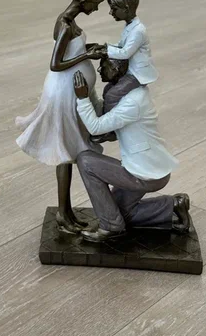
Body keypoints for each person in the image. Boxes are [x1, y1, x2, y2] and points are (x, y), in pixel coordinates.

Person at [16, 0, 107, 233]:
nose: (96, 9)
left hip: (70, 90)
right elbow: (56, 64)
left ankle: (65, 211)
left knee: (67, 151)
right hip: (62, 92)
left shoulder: (71, 22)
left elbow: (69, 52)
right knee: (65, 151)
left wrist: (88, 49)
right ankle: (63, 213)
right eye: (95, 4)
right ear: (84, 1)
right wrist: (86, 57)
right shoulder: (65, 24)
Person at [72, 57, 189, 243]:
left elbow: (95, 127)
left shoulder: (131, 103)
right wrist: (90, 93)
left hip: (146, 173)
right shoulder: (130, 93)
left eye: (104, 66)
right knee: (117, 211)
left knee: (85, 161)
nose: (100, 70)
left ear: (116, 69)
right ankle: (174, 204)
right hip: (149, 166)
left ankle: (110, 226)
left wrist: (82, 98)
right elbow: (107, 116)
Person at [104, 0, 158, 97]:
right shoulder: (130, 25)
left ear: (126, 9)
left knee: (111, 95)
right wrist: (105, 47)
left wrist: (105, 51)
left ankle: (116, 109)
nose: (110, 12)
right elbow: (122, 45)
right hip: (130, 69)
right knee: (108, 89)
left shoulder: (138, 31)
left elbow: (125, 53)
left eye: (114, 9)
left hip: (137, 73)